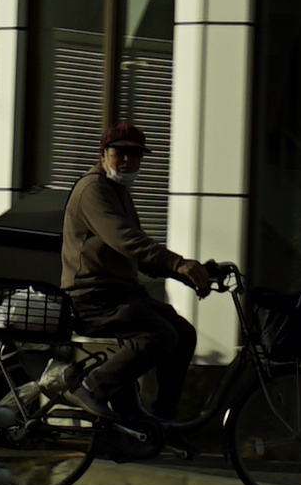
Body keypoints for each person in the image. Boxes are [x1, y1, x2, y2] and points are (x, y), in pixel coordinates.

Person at [60, 119, 215, 446]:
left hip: (121, 292)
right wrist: (178, 263)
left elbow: (141, 255)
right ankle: (94, 386)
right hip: (93, 295)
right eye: (121, 153)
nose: (129, 161)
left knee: (184, 333)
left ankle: (163, 422)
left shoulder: (118, 192)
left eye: (136, 155)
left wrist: (190, 272)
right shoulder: (94, 190)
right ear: (103, 155)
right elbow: (126, 241)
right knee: (159, 335)